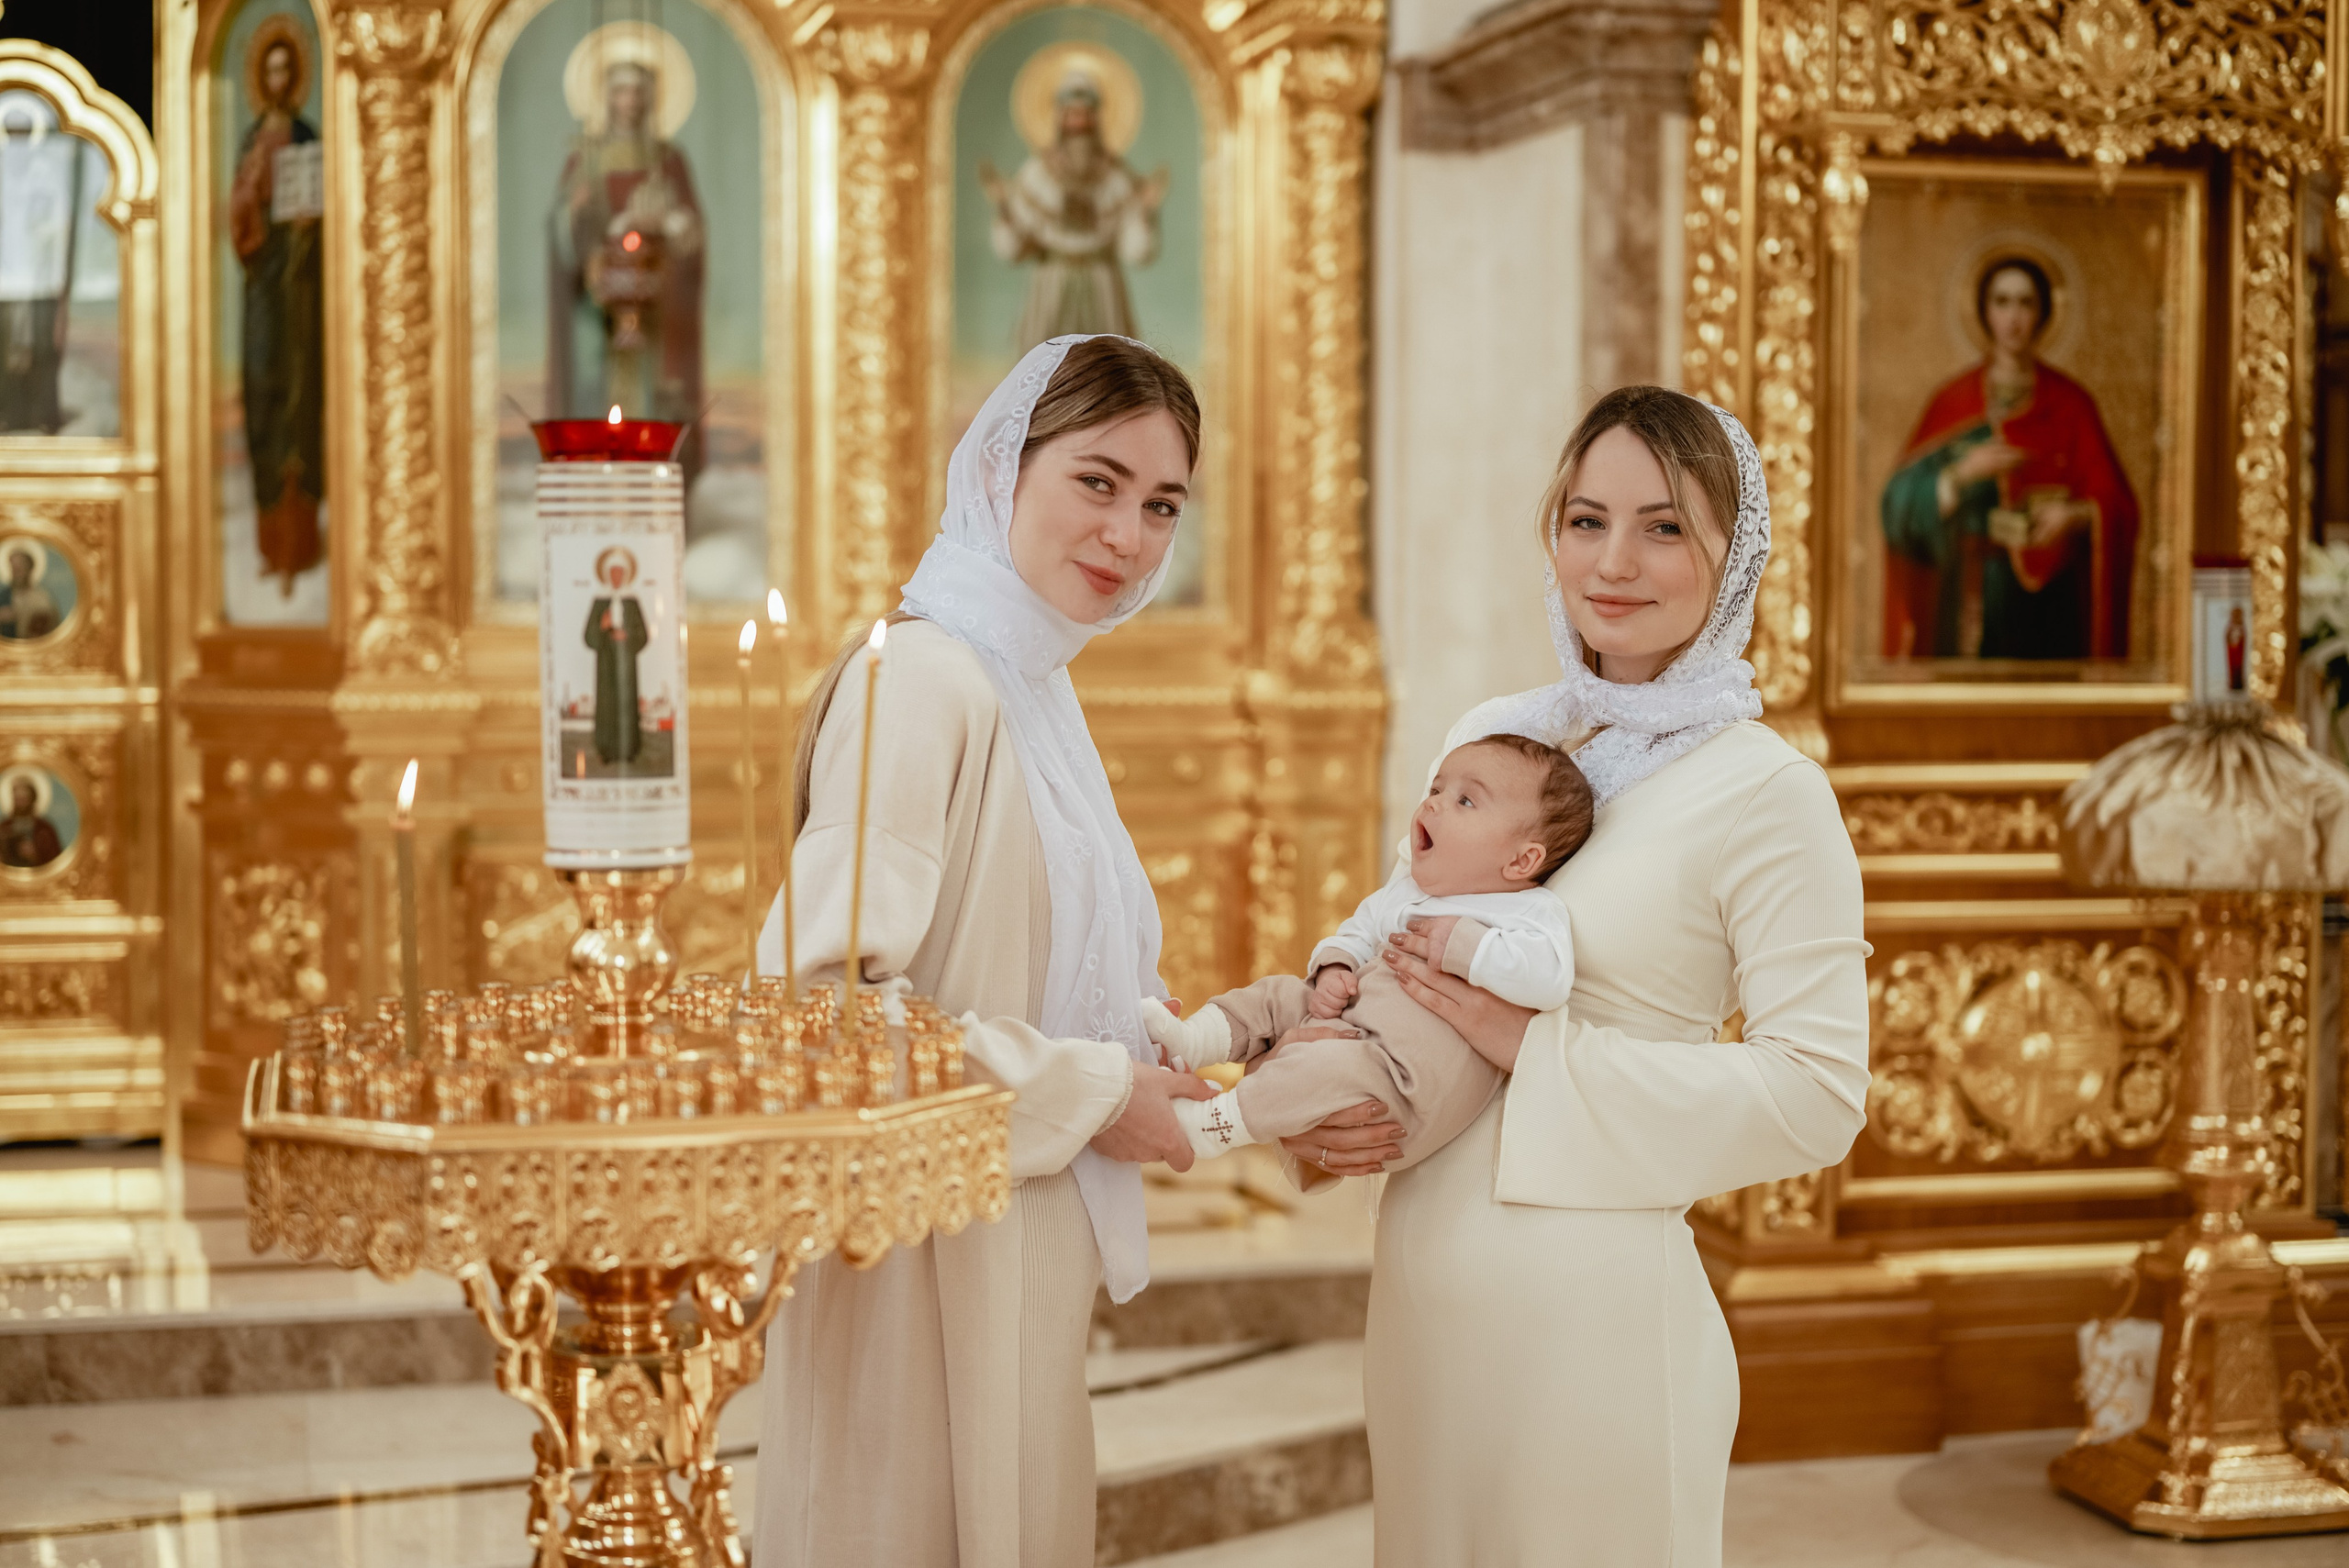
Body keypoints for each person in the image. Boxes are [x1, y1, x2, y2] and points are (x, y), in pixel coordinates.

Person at [1289, 385, 1870, 1565]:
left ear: (1732, 556)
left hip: (1596, 1322)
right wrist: (1332, 1067)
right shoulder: (1507, 739)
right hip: (1421, 1295)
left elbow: (1820, 1091)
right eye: (1585, 518)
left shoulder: (1769, 790)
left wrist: (1534, 1049)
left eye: (1664, 527)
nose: (1614, 561)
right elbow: (1399, 946)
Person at [752, 334, 1216, 1567]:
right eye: (1099, 481)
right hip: (916, 1248)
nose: (1129, 533)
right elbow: (819, 1011)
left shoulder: (1031, 688)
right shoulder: (925, 683)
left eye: (1162, 502)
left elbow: (1046, 965)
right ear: (1005, 467)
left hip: (1013, 1225)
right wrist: (1097, 1093)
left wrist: (1193, 1046)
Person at [1141, 733, 1589, 1169]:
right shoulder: (1406, 891)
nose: (1433, 802)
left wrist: (1468, 946)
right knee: (1277, 994)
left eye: (1465, 801)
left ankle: (1213, 1125)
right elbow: (1357, 930)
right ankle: (1193, 1042)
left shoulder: (1529, 910)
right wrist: (1337, 964)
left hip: (1395, 1078)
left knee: (1324, 1069)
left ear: (1521, 862)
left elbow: (1548, 980)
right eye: (1436, 788)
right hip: (1352, 1023)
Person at [1879, 255, 2139, 661]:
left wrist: (2074, 516)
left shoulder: (2072, 405)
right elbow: (1897, 503)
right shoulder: (1955, 401)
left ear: (2043, 313)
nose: (2013, 317)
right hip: (1971, 593)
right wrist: (1960, 475)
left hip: (2051, 602)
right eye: (2002, 302)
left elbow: (2119, 504)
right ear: (1984, 311)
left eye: (2025, 303)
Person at [548, 59, 706, 473]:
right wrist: (578, 214)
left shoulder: (667, 159)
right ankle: (597, 474)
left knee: (657, 388)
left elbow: (693, 231)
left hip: (656, 296)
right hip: (601, 300)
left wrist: (672, 223)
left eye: (639, 91)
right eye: (621, 91)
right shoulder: (587, 156)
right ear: (606, 97)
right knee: (598, 386)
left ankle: (658, 472)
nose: (630, 102)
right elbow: (563, 225)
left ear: (652, 97)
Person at [228, 25, 326, 595]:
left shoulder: (307, 134)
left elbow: (320, 197)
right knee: (264, 394)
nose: (279, 80)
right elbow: (239, 220)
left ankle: (302, 547)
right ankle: (271, 545)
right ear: (261, 78)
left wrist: (312, 223)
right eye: (271, 70)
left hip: (303, 286)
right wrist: (250, 189)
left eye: (287, 70)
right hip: (263, 285)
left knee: (300, 401)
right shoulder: (250, 140)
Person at [979, 71, 1167, 351]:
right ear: (1060, 118)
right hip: (1051, 285)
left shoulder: (1116, 176)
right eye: (1072, 115)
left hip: (1102, 286)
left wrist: (1146, 211)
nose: (1079, 123)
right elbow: (1013, 249)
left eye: (1086, 115)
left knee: (1108, 373)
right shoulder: (1037, 174)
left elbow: (1135, 251)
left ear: (1097, 119)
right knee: (1048, 374)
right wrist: (1004, 208)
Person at [583, 549, 647, 767]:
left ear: (626, 575)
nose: (616, 577)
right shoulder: (600, 602)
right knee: (608, 705)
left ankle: (629, 750)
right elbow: (589, 637)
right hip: (606, 664)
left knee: (626, 704)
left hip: (626, 664)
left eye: (620, 572)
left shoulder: (632, 602)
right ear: (607, 575)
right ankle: (606, 750)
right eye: (613, 573)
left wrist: (627, 635)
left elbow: (643, 635)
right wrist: (603, 628)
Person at [0, 776, 61, 869]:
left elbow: (56, 861)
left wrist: (35, 854)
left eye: (24, 798)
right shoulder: (4, 827)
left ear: (32, 799)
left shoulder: (44, 828)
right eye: (17, 798)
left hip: (37, 878)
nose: (20, 803)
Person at [0, 545, 57, 639]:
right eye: (13, 569)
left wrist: (19, 614)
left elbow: (51, 626)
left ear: (29, 568)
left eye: (19, 569)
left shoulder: (42, 597)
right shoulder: (3, 596)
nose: (16, 573)